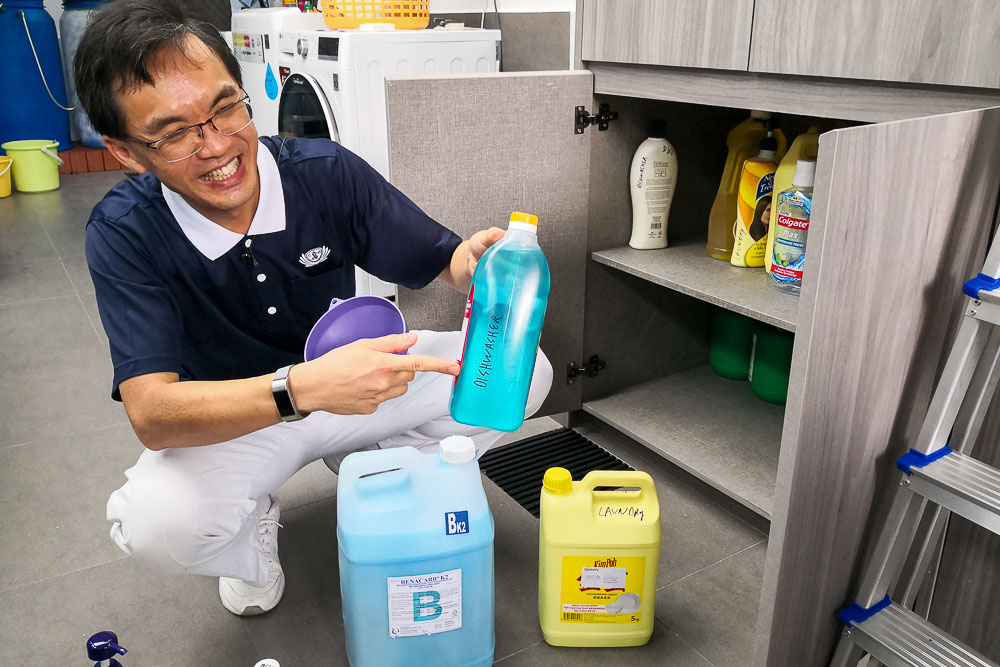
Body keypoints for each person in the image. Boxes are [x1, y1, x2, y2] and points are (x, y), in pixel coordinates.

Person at [74, 0, 552, 616]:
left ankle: (383, 471)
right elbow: (153, 413)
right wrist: (298, 390)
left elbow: (438, 259)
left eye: (226, 108)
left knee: (524, 374)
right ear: (125, 152)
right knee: (157, 524)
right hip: (242, 418)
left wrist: (472, 261)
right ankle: (248, 540)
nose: (218, 145)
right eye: (173, 133)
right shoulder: (124, 232)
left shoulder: (322, 172)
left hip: (356, 385)